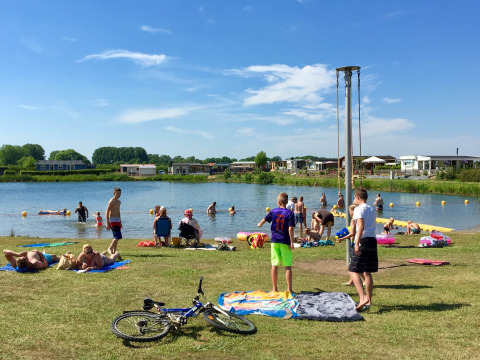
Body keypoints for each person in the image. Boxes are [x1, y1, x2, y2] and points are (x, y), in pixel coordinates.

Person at [257, 192, 295, 294]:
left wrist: (259, 224)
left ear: (278, 202)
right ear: (287, 202)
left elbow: (264, 219)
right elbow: (290, 229)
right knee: (287, 266)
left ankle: (274, 288)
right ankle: (289, 289)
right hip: (285, 241)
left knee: (274, 265)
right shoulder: (290, 213)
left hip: (274, 241)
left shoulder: (273, 211)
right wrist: (292, 242)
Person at [348, 187, 377, 312]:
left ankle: (362, 297)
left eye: (355, 198)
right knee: (367, 272)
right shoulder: (372, 209)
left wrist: (356, 243)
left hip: (363, 240)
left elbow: (360, 226)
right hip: (372, 240)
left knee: (352, 270)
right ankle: (369, 301)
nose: (354, 200)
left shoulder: (358, 209)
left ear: (358, 197)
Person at [337, 204, 365, 286]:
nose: (349, 213)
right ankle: (351, 281)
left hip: (354, 243)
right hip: (358, 242)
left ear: (352, 211)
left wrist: (342, 238)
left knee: (353, 265)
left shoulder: (353, 220)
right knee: (352, 263)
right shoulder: (360, 219)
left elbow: (352, 233)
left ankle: (365, 280)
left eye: (349, 211)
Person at [106, 187, 122, 255]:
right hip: (112, 219)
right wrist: (107, 223)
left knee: (116, 237)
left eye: (120, 193)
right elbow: (107, 211)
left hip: (117, 219)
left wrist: (120, 222)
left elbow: (118, 212)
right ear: (114, 193)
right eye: (117, 193)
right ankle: (110, 248)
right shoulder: (111, 201)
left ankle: (114, 251)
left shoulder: (119, 202)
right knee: (118, 236)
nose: (119, 195)